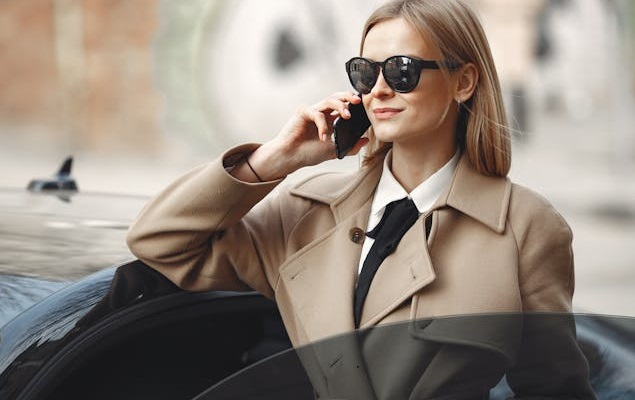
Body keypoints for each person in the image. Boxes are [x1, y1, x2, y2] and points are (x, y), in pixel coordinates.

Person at [127, 0, 595, 398]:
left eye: (402, 70)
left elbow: (554, 388)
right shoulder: (305, 210)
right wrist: (271, 161)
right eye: (365, 72)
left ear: (464, 82)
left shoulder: (524, 227)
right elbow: (159, 240)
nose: (380, 90)